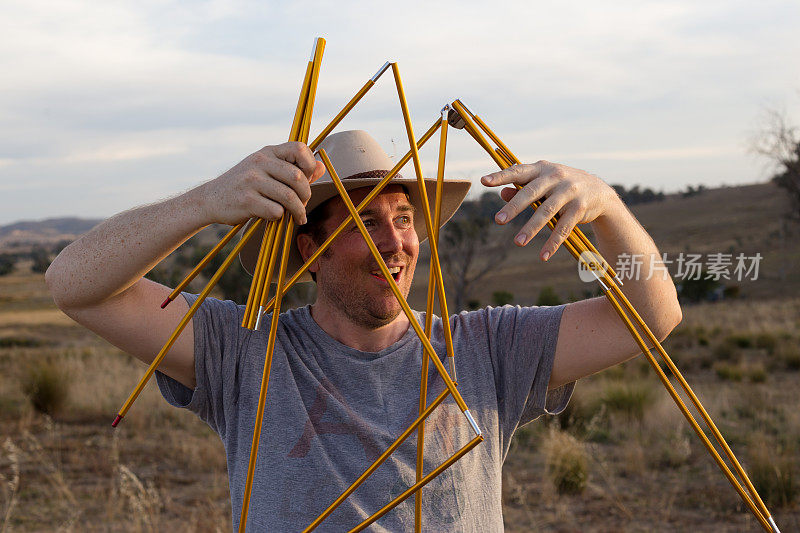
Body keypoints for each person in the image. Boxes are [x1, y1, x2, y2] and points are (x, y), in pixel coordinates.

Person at [46, 129, 681, 531]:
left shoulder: (486, 348)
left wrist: (607, 208)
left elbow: (654, 315)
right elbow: (72, 283)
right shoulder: (242, 351)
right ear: (309, 254)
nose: (395, 244)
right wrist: (205, 202)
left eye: (404, 219)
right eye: (362, 223)